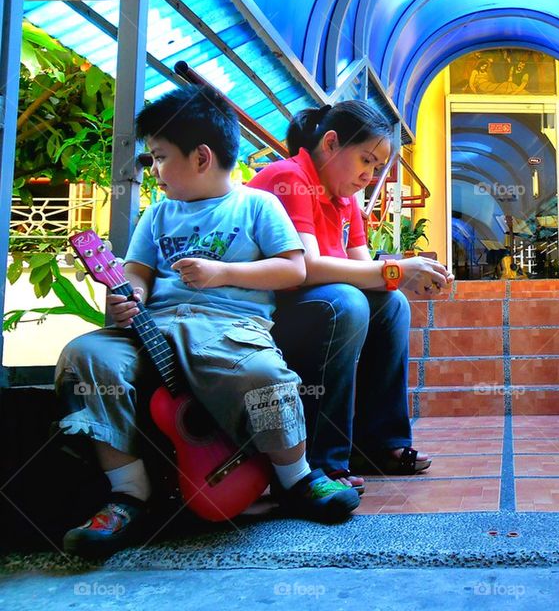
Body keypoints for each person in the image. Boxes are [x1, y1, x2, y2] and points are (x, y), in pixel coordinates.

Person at [54, 87, 360, 559]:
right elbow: (135, 272)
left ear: (201, 157)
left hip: (228, 328)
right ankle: (128, 495)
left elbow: (292, 268)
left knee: (263, 376)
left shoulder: (256, 206)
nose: (153, 171)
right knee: (86, 355)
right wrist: (128, 296)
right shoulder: (156, 216)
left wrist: (223, 274)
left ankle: (295, 477)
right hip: (154, 327)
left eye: (159, 158)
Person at [247, 101, 454, 490]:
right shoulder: (291, 178)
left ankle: (379, 444)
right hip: (260, 313)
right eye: (365, 160)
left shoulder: (346, 201)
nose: (369, 175)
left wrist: (404, 280)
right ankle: (320, 460)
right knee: (347, 302)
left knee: (392, 305)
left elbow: (367, 274)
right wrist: (393, 270)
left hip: (308, 310)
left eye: (377, 167)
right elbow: (306, 267)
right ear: (331, 143)